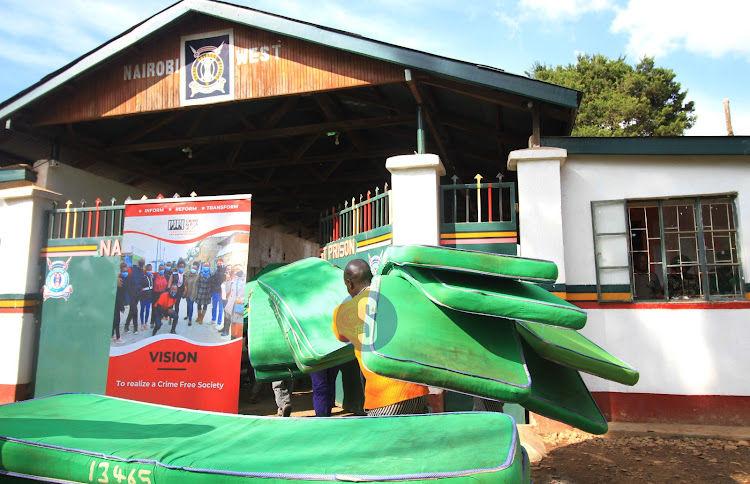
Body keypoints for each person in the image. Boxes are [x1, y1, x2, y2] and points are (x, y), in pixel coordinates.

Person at [332, 259, 429, 416]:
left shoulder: (343, 312)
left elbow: (340, 335)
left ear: (350, 284)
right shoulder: (397, 295)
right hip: (417, 391)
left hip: (385, 400)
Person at [222, 267, 245, 338]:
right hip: (232, 305)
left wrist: (242, 300)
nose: (237, 271)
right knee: (233, 323)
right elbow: (228, 291)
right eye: (235, 270)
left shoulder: (246, 280)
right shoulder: (234, 280)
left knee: (240, 326)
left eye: (238, 269)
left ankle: (237, 341)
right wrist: (228, 280)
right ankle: (232, 339)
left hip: (240, 306)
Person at [124, 260, 145, 334]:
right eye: (142, 262)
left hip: (138, 294)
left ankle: (126, 325)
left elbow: (151, 273)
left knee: (132, 310)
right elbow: (123, 275)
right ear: (138, 263)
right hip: (131, 293)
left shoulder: (142, 271)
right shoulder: (130, 269)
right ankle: (135, 328)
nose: (143, 263)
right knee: (135, 310)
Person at [167, 261, 187, 330]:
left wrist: (184, 291)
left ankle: (176, 319)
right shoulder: (174, 274)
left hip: (179, 293)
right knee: (171, 305)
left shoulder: (184, 275)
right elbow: (170, 282)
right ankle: (170, 318)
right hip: (173, 292)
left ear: (184, 267)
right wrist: (169, 290)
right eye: (180, 267)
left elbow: (185, 285)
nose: (181, 268)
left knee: (177, 306)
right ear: (178, 267)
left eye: (182, 267)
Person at [112, 263, 127, 343]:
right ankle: (118, 337)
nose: (126, 273)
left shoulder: (122, 279)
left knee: (115, 320)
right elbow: (119, 295)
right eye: (124, 271)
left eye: (126, 271)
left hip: (117, 303)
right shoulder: (120, 281)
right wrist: (122, 307)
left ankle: (112, 335)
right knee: (117, 320)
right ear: (121, 272)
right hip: (117, 303)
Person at [210, 259, 226, 325]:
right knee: (214, 307)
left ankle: (219, 323)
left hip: (221, 293)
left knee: (220, 309)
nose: (219, 264)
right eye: (218, 263)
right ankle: (213, 320)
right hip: (215, 292)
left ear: (223, 263)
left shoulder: (225, 271)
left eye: (220, 263)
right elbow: (213, 281)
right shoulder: (216, 271)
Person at [139, 263, 154, 331]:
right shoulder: (142, 277)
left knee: (148, 310)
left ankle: (146, 323)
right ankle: (142, 323)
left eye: (150, 270)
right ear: (146, 269)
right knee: (142, 310)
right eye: (148, 269)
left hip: (149, 297)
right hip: (143, 297)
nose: (149, 271)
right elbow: (140, 286)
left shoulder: (152, 277)